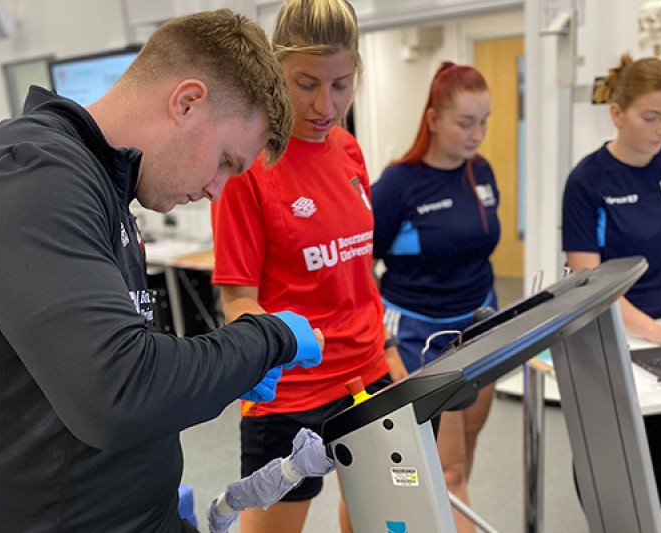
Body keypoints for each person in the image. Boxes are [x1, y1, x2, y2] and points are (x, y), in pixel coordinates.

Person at [0, 10, 326, 533]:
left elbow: (121, 360)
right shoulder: (24, 172)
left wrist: (226, 371)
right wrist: (265, 339)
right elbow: (120, 394)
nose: (217, 190)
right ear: (187, 102)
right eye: (225, 161)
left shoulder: (104, 191)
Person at [210, 1, 407, 532]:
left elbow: (359, 271)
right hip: (291, 395)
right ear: (276, 72)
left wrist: (388, 352)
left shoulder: (348, 151)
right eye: (306, 83)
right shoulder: (249, 165)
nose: (326, 104)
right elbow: (237, 297)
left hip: (366, 375)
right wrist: (266, 349)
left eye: (341, 84)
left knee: (378, 519)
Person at [562, 53, 661, 533]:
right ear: (617, 113)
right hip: (602, 335)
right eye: (652, 117)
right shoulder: (588, 181)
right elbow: (589, 278)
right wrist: (654, 332)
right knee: (610, 455)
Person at [371, 61, 500, 533]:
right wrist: (383, 344)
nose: (477, 133)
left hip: (480, 327)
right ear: (432, 120)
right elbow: (360, 267)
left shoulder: (480, 172)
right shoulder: (396, 186)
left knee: (461, 458)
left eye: (484, 121)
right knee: (444, 468)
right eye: (465, 122)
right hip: (419, 337)